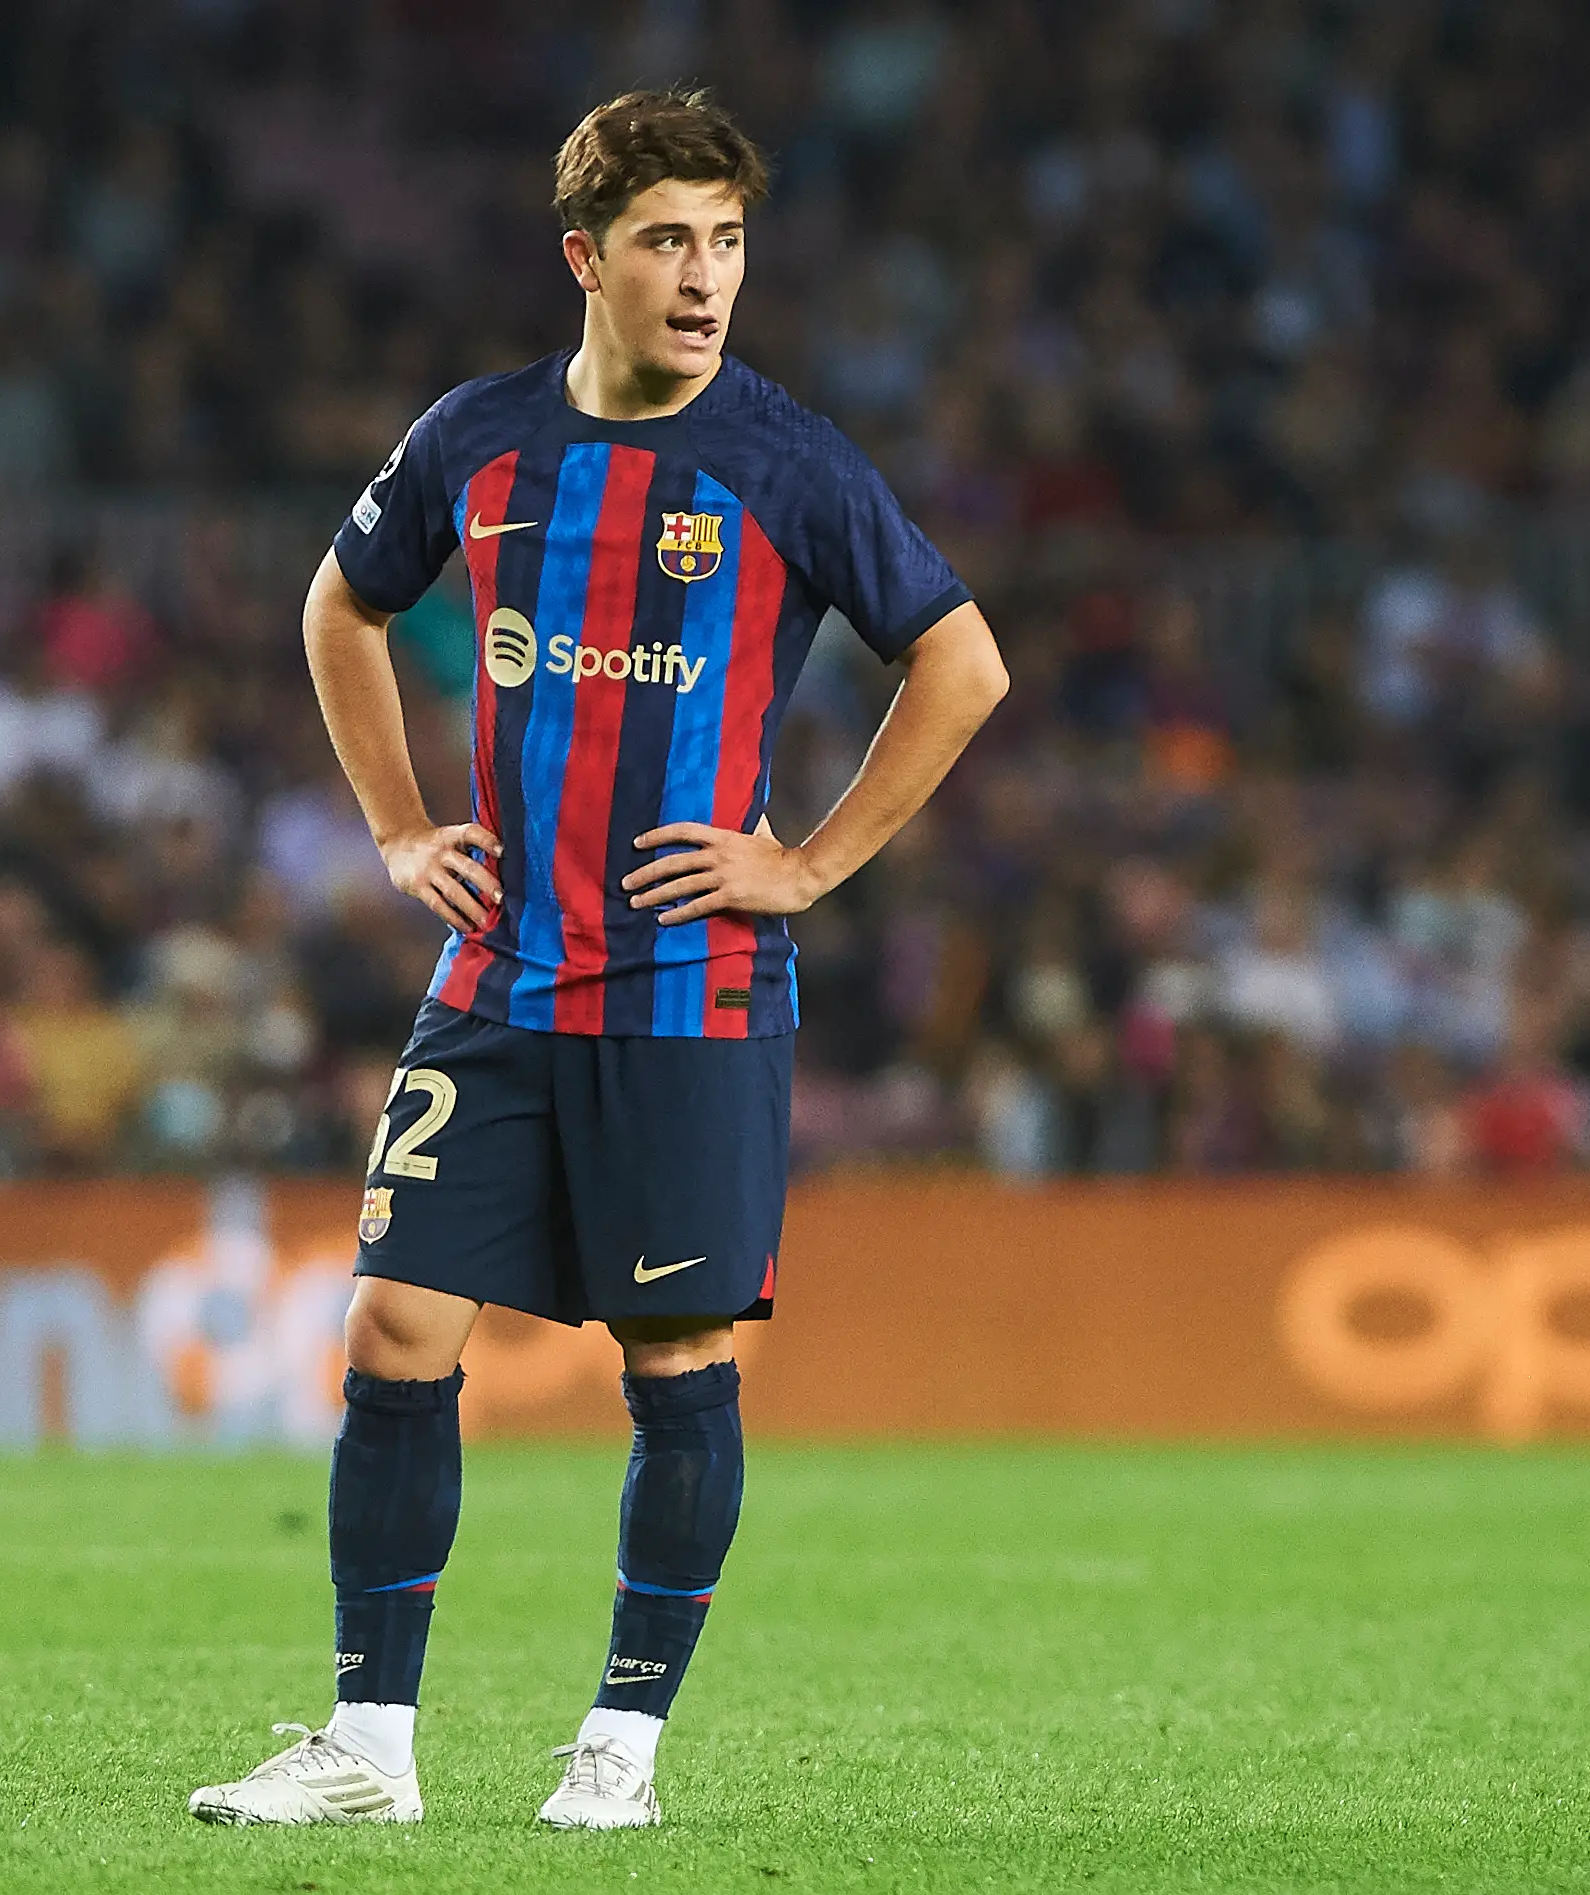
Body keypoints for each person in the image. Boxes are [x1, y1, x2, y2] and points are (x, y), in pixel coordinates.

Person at [188, 89, 1010, 1832]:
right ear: (584, 258)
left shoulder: (787, 461)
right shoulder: (477, 439)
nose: (703, 276)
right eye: (665, 242)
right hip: (498, 973)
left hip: (689, 993)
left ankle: (620, 1746)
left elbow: (961, 663)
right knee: (394, 1325)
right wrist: (398, 827)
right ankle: (367, 1743)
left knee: (675, 1362)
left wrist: (806, 864)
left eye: (726, 241)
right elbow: (339, 605)